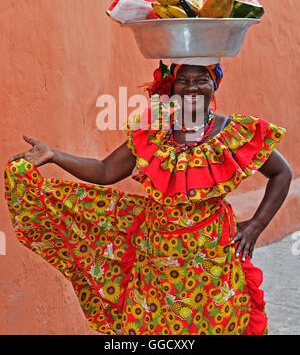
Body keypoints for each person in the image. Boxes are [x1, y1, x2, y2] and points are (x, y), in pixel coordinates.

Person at [4, 60, 292, 335]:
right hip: (156, 264)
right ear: (172, 87)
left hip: (214, 263)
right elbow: (105, 171)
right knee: (154, 329)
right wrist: (54, 155)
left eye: (201, 80)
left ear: (214, 85)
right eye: (183, 80)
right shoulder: (154, 132)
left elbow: (282, 173)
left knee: (217, 323)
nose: (191, 87)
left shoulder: (232, 133)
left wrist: (256, 225)